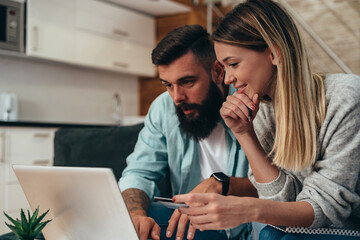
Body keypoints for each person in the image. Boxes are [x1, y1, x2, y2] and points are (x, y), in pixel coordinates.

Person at [173, 0, 360, 239]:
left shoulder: (345, 97)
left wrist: (247, 209)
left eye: (233, 64)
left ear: (273, 53)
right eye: (224, 67)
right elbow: (283, 203)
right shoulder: (260, 106)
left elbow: (324, 211)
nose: (227, 78)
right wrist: (243, 133)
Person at [119, 25, 258, 240]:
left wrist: (221, 185)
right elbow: (139, 173)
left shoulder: (255, 105)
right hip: (191, 229)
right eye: (168, 85)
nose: (177, 97)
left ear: (218, 72)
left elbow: (282, 185)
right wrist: (136, 216)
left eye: (187, 82)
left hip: (248, 228)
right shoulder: (163, 108)